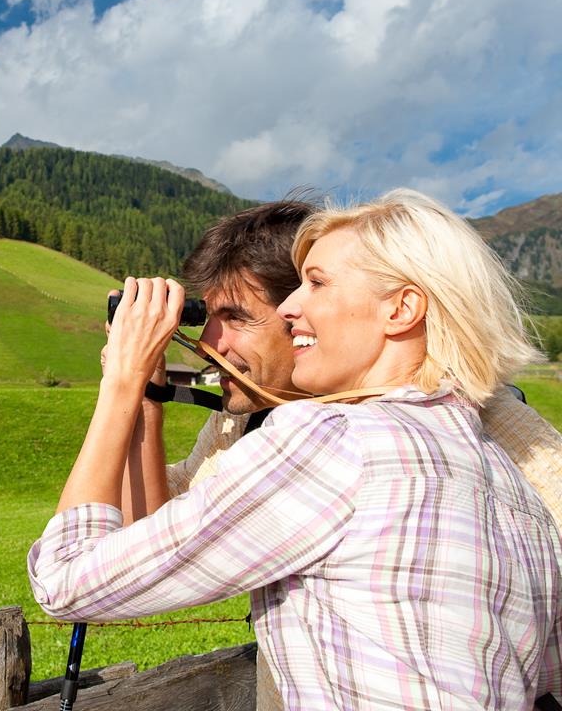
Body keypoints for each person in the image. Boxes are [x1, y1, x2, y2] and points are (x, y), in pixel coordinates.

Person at [28, 189, 562, 710]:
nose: (291, 309)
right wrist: (147, 398)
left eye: (316, 283)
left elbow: (67, 578)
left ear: (402, 309)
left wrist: (121, 379)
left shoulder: (333, 437)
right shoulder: (497, 471)